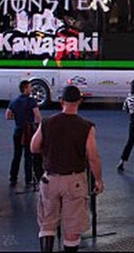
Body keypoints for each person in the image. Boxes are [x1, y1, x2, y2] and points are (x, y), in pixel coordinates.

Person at [31, 85, 104, 252]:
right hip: (74, 181)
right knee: (72, 229)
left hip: (49, 179)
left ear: (61, 101)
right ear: (80, 101)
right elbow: (92, 156)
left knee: (47, 224)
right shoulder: (86, 127)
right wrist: (98, 180)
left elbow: (33, 147)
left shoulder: (47, 122)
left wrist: (49, 150)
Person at [7, 80, 43, 187]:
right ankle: (28, 179)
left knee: (16, 155)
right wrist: (38, 126)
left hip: (18, 130)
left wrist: (18, 118)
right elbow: (37, 115)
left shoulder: (14, 101)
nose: (31, 89)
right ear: (25, 89)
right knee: (28, 155)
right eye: (30, 87)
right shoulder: (31, 101)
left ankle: (13, 178)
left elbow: (8, 116)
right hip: (28, 131)